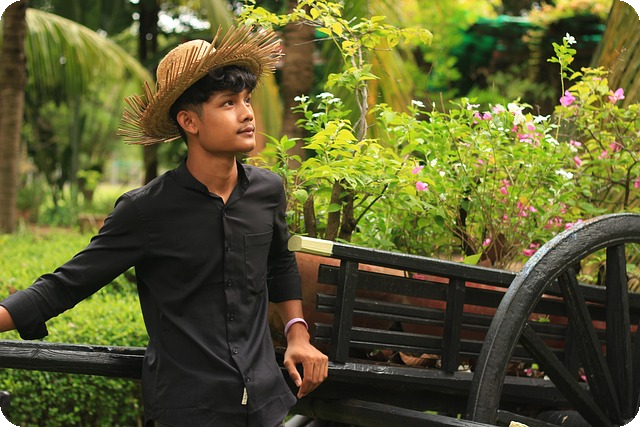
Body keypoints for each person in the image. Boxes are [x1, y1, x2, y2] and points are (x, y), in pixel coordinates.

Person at [0, 25, 328, 427]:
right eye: (228, 103)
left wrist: (297, 333)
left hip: (264, 403)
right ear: (189, 121)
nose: (247, 113)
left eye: (246, 99)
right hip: (188, 409)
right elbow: (66, 285)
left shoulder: (268, 190)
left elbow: (279, 263)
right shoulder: (145, 210)